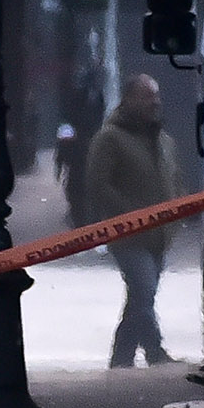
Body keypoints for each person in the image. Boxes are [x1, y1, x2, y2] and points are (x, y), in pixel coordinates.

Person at [85, 74, 179, 369]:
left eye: (156, 96)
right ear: (129, 100)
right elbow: (98, 184)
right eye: (147, 96)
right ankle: (155, 351)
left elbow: (173, 179)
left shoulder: (162, 140)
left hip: (159, 234)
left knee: (140, 297)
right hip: (129, 234)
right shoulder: (110, 138)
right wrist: (126, 215)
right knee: (143, 290)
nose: (155, 102)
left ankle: (121, 357)